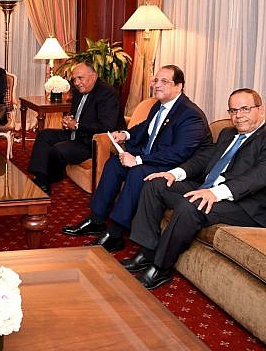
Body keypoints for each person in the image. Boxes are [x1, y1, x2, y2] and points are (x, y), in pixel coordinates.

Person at [124, 88, 266, 290]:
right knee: (155, 184)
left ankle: (160, 268)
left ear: (261, 110)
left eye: (245, 109)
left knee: (190, 205)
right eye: (233, 111)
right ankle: (147, 253)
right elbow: (204, 159)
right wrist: (174, 173)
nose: (238, 116)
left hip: (245, 205)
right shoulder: (227, 133)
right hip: (207, 188)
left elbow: (258, 176)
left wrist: (214, 193)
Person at [62, 65, 212, 252]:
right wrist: (125, 134)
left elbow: (178, 153)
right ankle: (96, 219)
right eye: (155, 80)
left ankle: (116, 234)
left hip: (175, 168)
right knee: (115, 164)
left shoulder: (190, 115)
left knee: (136, 172)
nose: (157, 85)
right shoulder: (159, 105)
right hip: (155, 158)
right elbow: (146, 127)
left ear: (179, 86)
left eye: (164, 81)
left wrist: (139, 159)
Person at [28, 62, 125, 195]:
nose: (77, 83)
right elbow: (77, 114)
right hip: (76, 134)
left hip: (91, 142)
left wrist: (77, 125)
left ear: (94, 76)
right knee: (44, 135)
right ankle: (41, 177)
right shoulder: (80, 90)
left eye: (80, 78)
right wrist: (68, 120)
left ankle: (50, 178)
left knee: (59, 149)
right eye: (74, 79)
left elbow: (106, 126)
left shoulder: (107, 94)